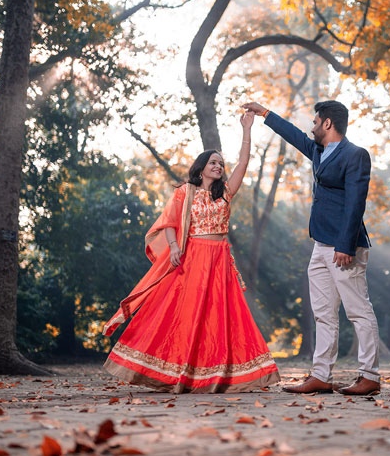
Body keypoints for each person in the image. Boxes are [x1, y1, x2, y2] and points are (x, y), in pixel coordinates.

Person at [102, 111, 280, 393]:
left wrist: (247, 130)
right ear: (200, 168)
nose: (219, 166)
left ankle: (218, 374)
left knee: (219, 316)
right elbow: (170, 222)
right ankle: (177, 373)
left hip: (219, 258)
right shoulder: (185, 192)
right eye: (213, 162)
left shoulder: (226, 193)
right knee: (187, 313)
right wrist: (173, 247)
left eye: (221, 163)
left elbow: (244, 162)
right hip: (193, 257)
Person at [243, 100, 380, 396]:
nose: (312, 126)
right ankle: (321, 375)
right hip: (320, 245)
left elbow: (356, 204)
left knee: (358, 311)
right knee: (323, 313)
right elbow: (294, 135)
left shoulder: (355, 155)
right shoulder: (319, 151)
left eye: (316, 122)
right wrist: (265, 113)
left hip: (345, 247)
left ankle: (369, 376)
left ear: (327, 124)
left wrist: (345, 245)